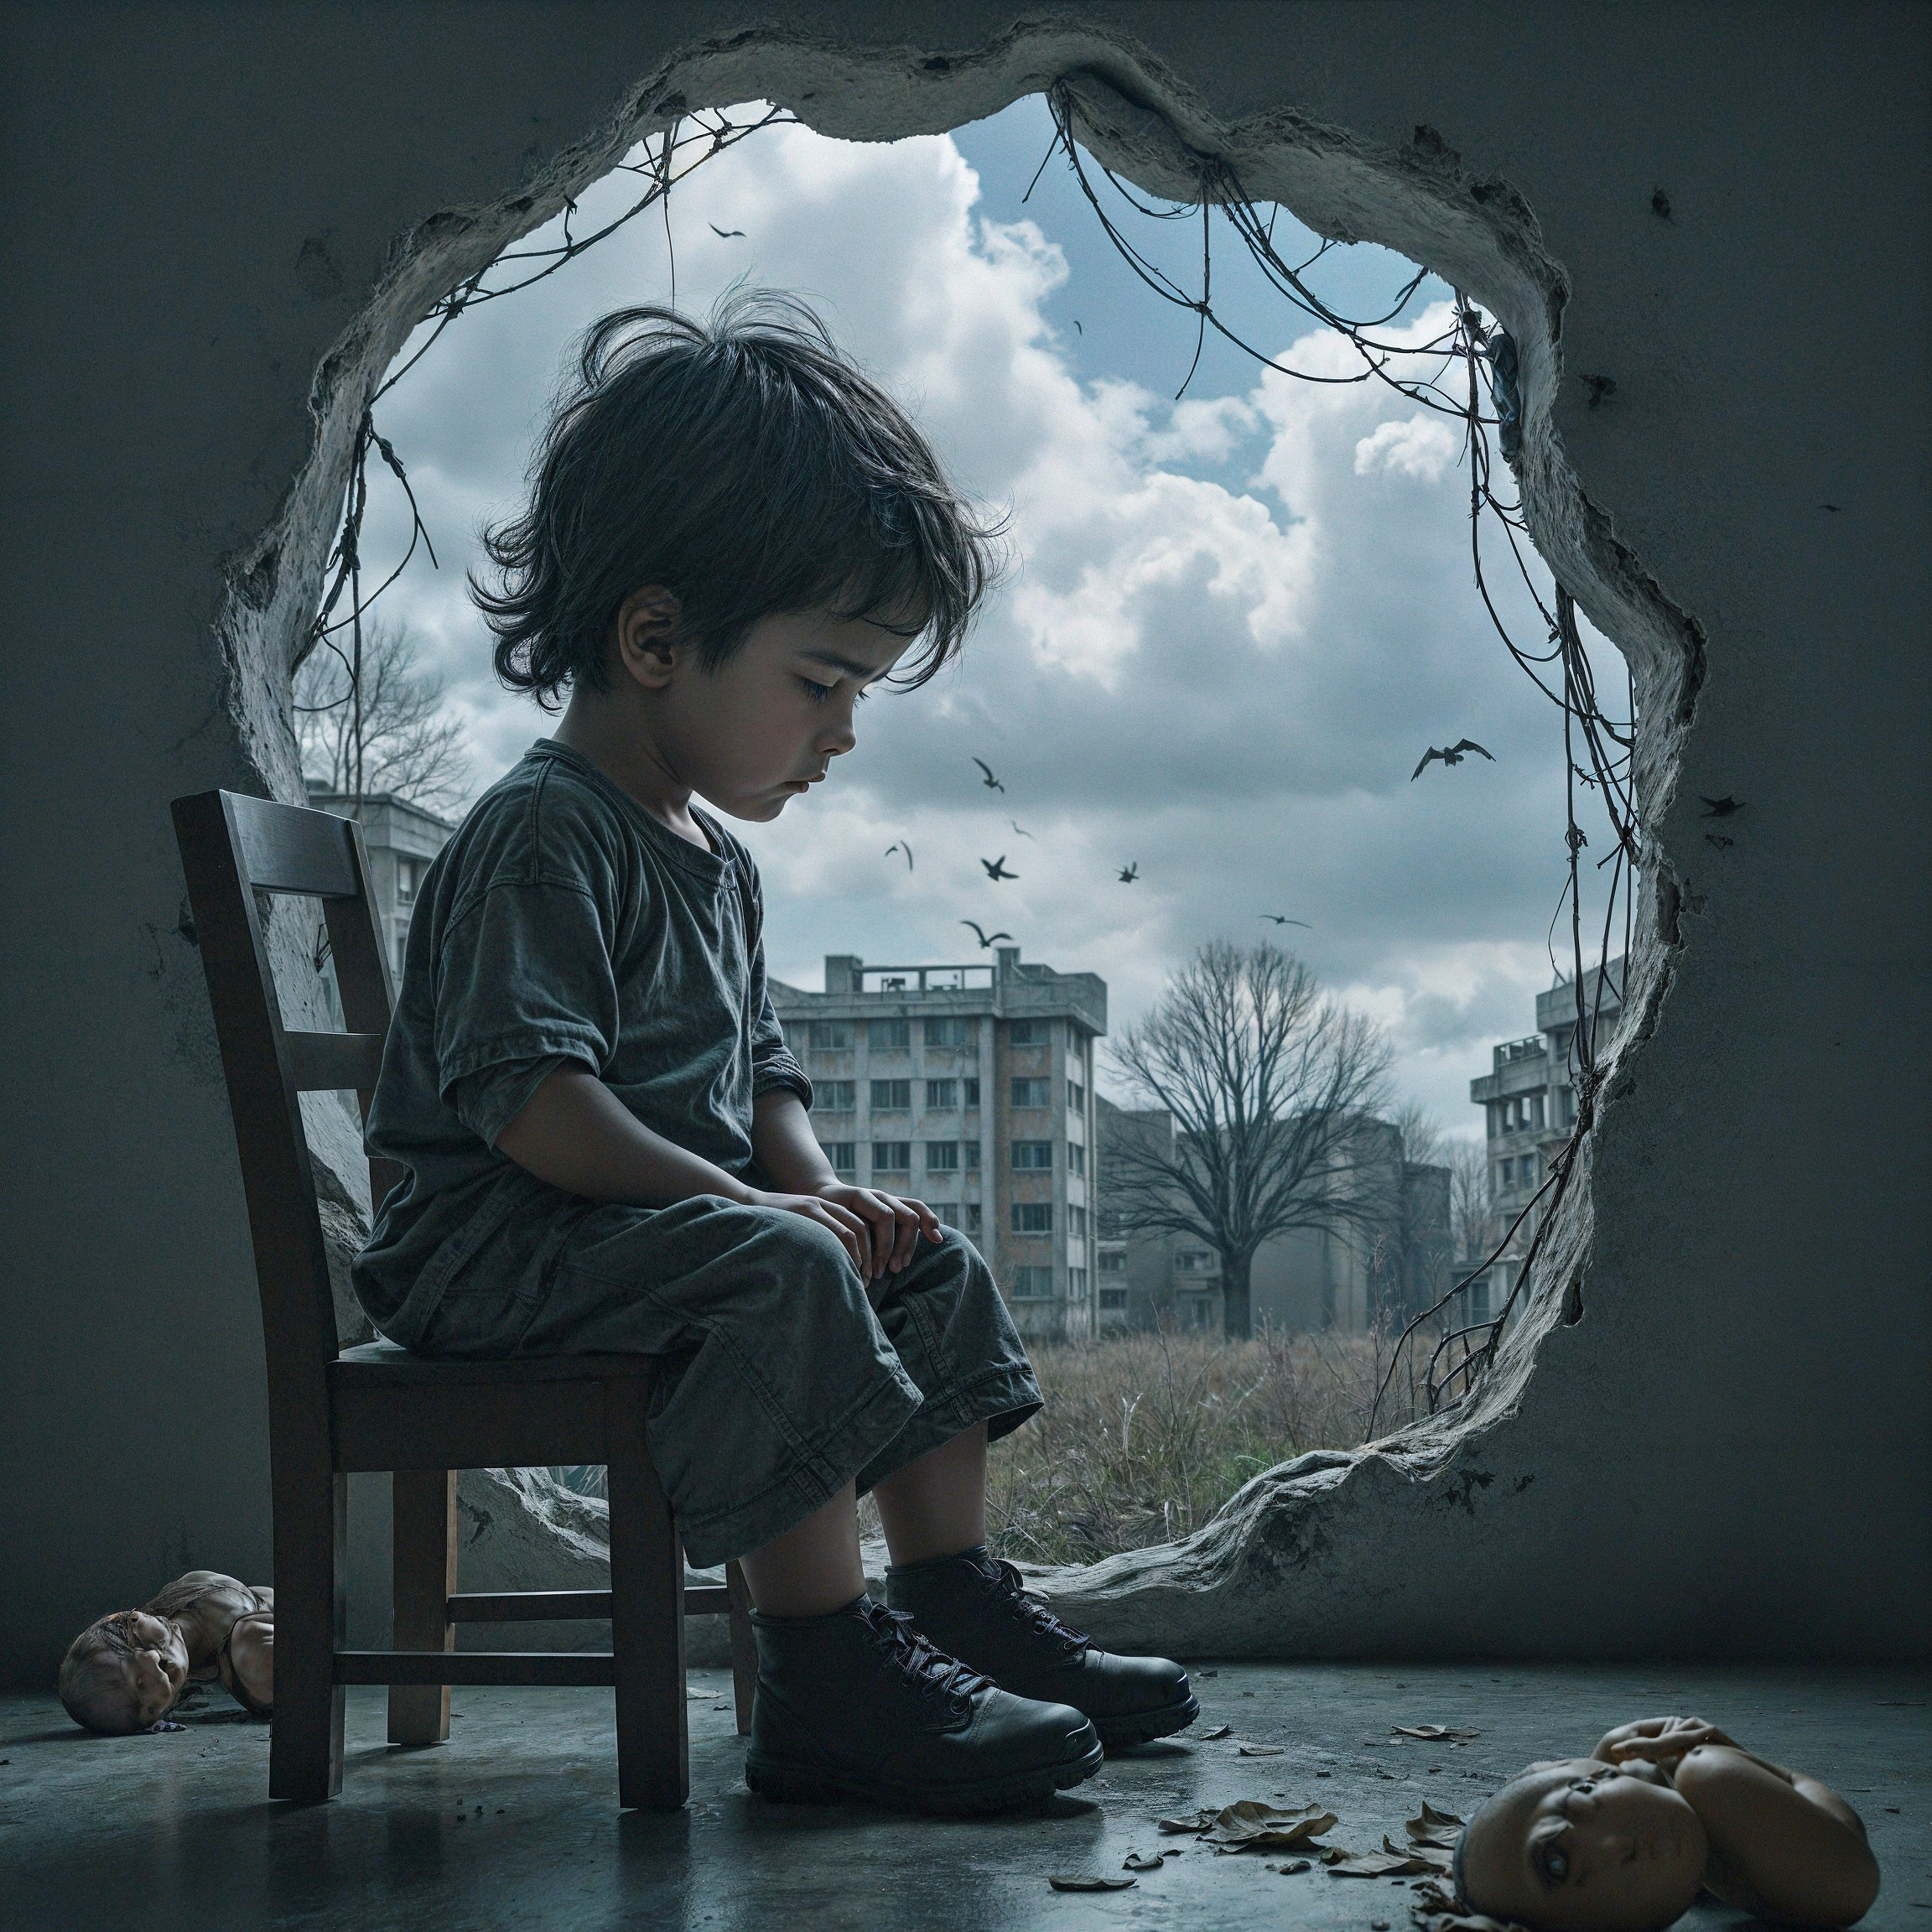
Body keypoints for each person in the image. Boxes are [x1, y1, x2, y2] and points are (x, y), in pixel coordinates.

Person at [351, 293, 1197, 1814]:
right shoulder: (544, 832)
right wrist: (757, 1214)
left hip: (634, 1230)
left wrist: (815, 1186)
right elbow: (538, 1109)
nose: (843, 732)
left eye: (858, 692)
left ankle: (948, 1607)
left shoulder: (720, 866)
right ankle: (822, 1670)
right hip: (496, 1243)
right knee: (786, 1267)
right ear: (656, 637)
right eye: (822, 681)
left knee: (910, 1259)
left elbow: (762, 1086)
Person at [1452, 1715, 1880, 1930]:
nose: (1613, 1846)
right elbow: (1849, 1882)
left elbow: (1853, 1885)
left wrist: (1744, 1774)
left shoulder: (1700, 1774)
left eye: (1584, 1793)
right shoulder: (1698, 1783)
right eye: (1558, 1869)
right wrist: (1763, 1775)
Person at [59, 1571, 273, 1733]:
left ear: (125, 1617)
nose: (159, 1676)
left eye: (134, 1648)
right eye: (149, 1709)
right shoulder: (248, 1658)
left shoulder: (249, 1652)